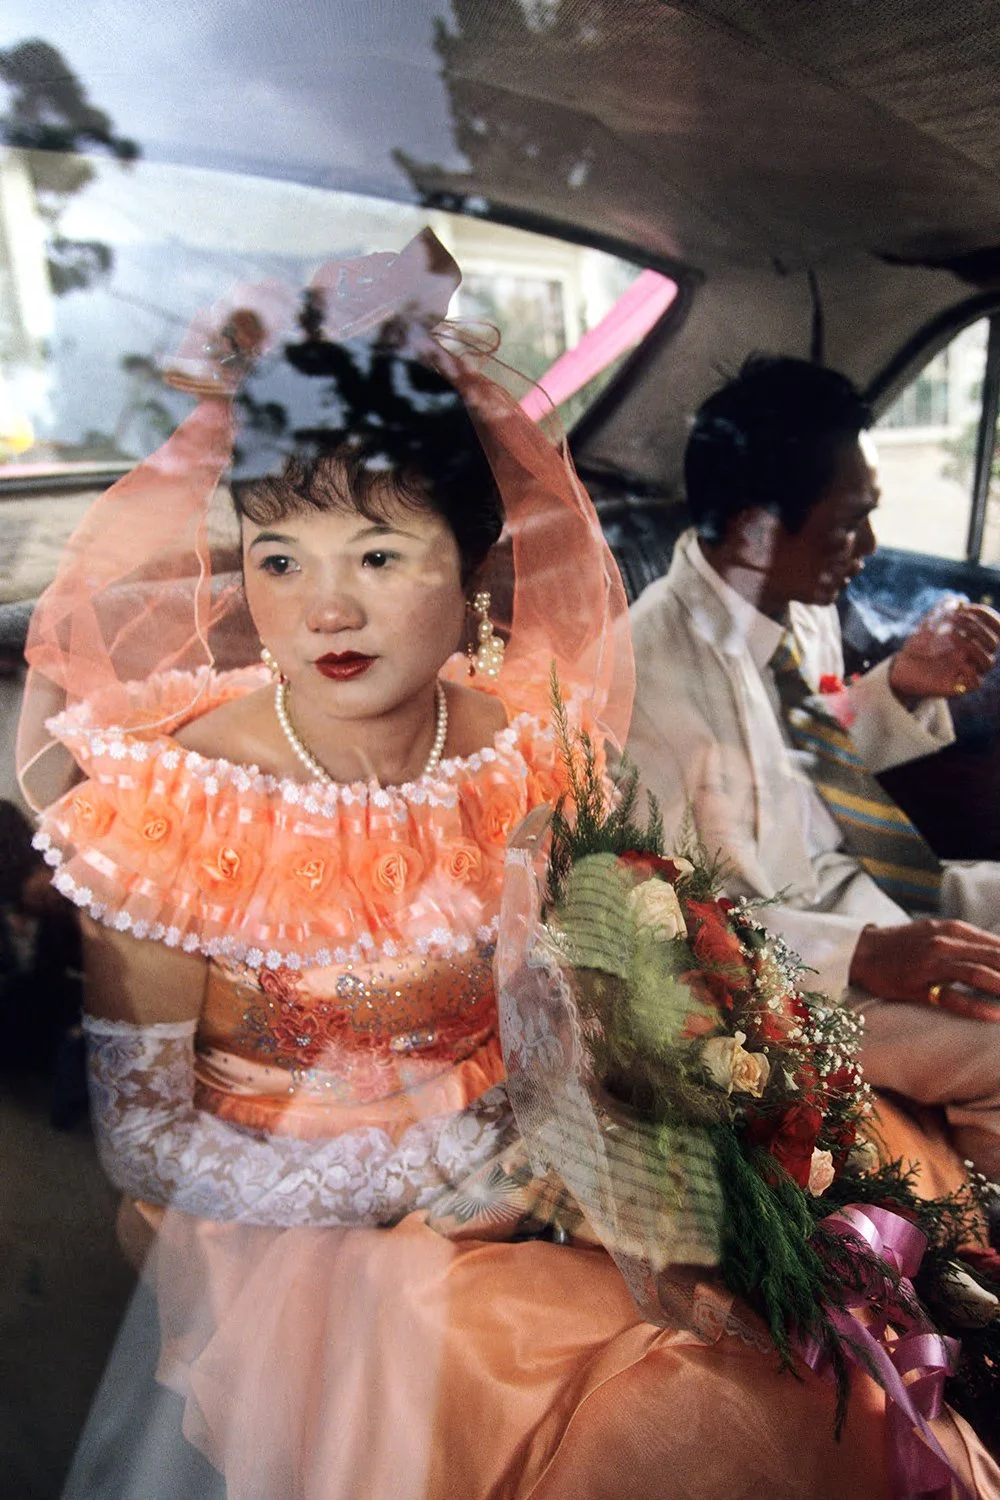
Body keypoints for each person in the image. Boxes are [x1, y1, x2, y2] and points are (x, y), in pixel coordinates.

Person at [21, 246, 996, 1499]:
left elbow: (538, 994)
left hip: (526, 1168)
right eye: (277, 558)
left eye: (378, 556)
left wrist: (591, 1140)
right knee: (673, 1424)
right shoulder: (167, 797)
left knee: (786, 1355)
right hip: (290, 1225)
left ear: (477, 565)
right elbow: (148, 1140)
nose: (323, 609)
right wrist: (439, 1174)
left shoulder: (513, 755)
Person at [627, 355, 1000, 1181]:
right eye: (847, 524)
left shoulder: (794, 605)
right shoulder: (645, 674)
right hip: (785, 975)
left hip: (864, 885)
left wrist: (899, 686)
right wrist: (863, 955)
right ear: (759, 528)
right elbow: (669, 914)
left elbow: (802, 765)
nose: (867, 549)